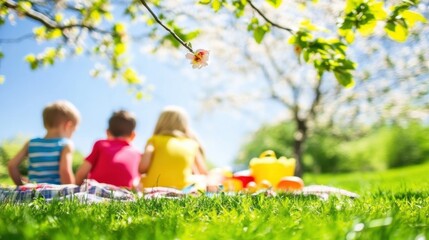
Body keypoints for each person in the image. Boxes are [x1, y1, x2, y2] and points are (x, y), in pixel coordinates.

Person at [8, 100, 80, 185]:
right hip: (55, 191)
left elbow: (12, 165)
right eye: (74, 130)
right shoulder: (66, 144)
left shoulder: (31, 143)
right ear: (68, 125)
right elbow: (65, 171)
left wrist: (20, 186)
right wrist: (72, 190)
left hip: (34, 190)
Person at [140, 106, 208, 189]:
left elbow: (142, 168)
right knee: (202, 179)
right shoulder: (192, 144)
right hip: (182, 190)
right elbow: (203, 172)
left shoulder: (153, 140)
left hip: (152, 188)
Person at [76, 110, 141, 189]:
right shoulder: (137, 152)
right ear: (133, 135)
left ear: (107, 132)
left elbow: (82, 172)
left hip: (97, 189)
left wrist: (77, 187)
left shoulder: (100, 144)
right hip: (125, 192)